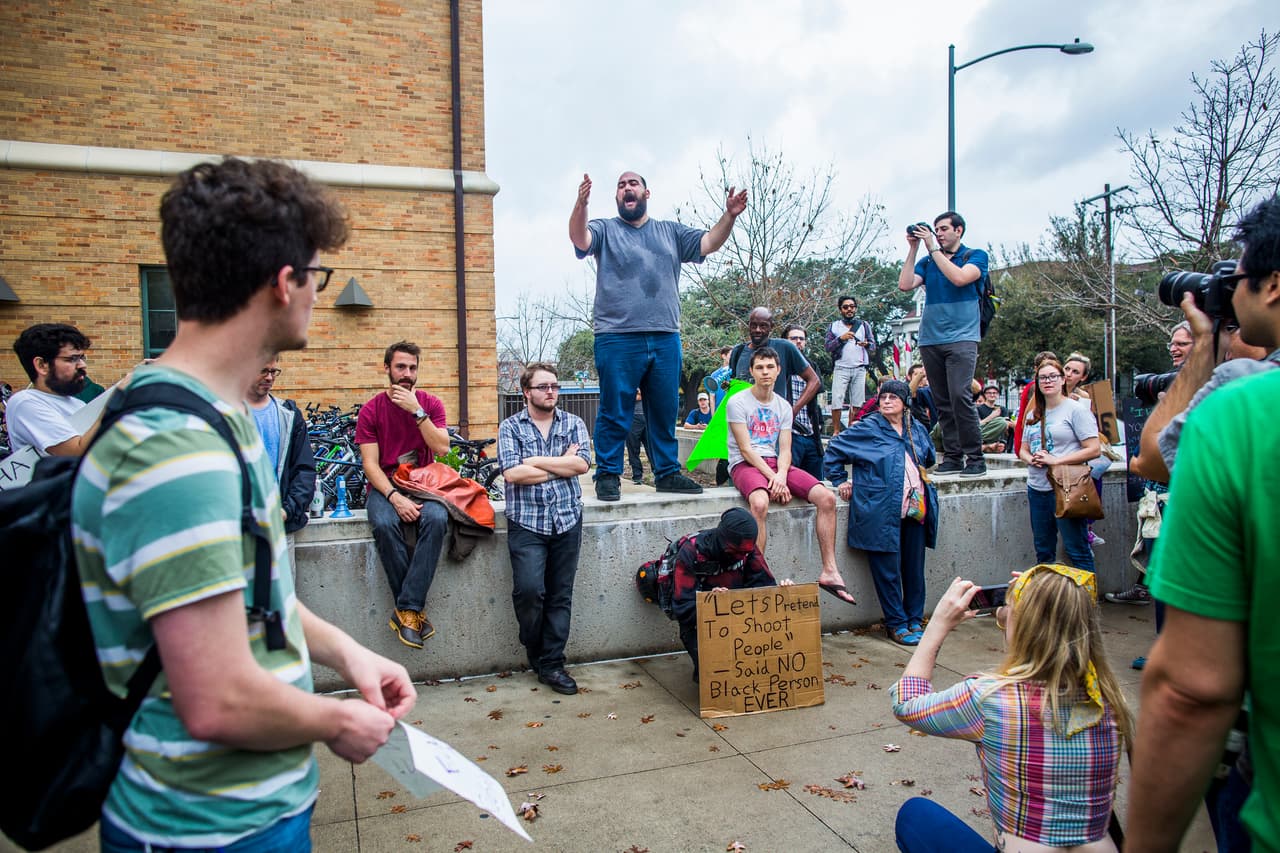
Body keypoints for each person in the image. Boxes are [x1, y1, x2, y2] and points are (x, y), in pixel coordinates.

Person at [71, 157, 414, 849]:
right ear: (285, 284)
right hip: (203, 829)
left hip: (254, 810)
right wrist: (336, 721)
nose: (318, 293)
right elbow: (215, 697)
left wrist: (349, 654)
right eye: (316, 276)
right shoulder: (173, 448)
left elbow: (256, 593)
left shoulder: (216, 418)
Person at [1126, 195, 1280, 853]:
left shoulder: (1242, 413)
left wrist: (1205, 353)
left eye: (1236, 279)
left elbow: (1193, 689)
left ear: (1272, 287)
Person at [892, 565, 1132, 853]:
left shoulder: (991, 698)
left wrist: (938, 625)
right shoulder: (1111, 700)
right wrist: (1032, 601)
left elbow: (906, 704)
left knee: (915, 816)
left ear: (1023, 626)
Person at [569, 171, 746, 501]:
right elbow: (580, 240)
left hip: (665, 336)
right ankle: (608, 473)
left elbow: (709, 242)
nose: (626, 189)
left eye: (632, 183)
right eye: (620, 185)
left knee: (665, 409)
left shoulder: (670, 232)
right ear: (617, 196)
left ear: (646, 192)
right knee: (614, 408)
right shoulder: (605, 229)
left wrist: (730, 216)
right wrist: (581, 204)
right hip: (617, 336)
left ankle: (666, 473)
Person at [724, 346, 853, 605]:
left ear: (779, 370)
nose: (765, 372)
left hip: (776, 465)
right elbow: (746, 450)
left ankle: (829, 570)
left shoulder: (783, 406)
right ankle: (756, 575)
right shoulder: (737, 402)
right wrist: (773, 477)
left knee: (826, 498)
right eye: (759, 367)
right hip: (744, 464)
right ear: (751, 371)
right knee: (759, 503)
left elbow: (785, 448)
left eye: (770, 367)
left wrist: (781, 476)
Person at [497, 362, 592, 696]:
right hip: (527, 522)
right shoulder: (510, 427)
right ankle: (533, 643)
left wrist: (534, 462)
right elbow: (512, 474)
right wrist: (558, 466)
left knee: (560, 595)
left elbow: (581, 464)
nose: (551, 391)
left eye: (554, 386)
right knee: (529, 591)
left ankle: (552, 664)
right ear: (527, 392)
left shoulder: (574, 423)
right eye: (543, 387)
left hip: (567, 519)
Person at [823, 379, 937, 645]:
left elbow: (929, 457)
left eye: (893, 398)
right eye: (882, 397)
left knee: (914, 569)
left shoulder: (915, 428)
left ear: (904, 402)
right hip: (880, 510)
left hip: (914, 509)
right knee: (887, 571)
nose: (886, 401)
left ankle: (914, 619)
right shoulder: (868, 427)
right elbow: (834, 451)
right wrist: (840, 480)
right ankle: (896, 623)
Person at [356, 341, 451, 649]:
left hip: (423, 483)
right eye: (400, 367)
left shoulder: (430, 404)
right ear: (387, 369)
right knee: (384, 525)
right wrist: (394, 497)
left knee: (436, 519)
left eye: (412, 368)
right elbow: (370, 464)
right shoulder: (371, 410)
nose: (407, 374)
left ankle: (406, 610)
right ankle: (411, 610)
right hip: (385, 485)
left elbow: (442, 448)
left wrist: (417, 412)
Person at [898, 212, 989, 478]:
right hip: (931, 339)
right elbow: (905, 285)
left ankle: (975, 457)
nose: (938, 233)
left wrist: (933, 248)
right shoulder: (928, 261)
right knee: (943, 400)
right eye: (935, 229)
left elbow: (960, 278)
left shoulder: (975, 256)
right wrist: (914, 249)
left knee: (961, 395)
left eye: (944, 228)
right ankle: (952, 456)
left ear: (958, 230)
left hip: (962, 338)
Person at [670, 507, 793, 682]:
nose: (740, 557)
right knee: (712, 676)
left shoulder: (748, 551)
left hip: (740, 620)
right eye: (735, 552)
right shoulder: (691, 552)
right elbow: (683, 607)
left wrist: (785, 594)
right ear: (723, 541)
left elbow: (764, 591)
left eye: (745, 553)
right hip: (701, 622)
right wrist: (711, 604)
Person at [1018, 357, 1101, 572]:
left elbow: (1094, 449)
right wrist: (1032, 459)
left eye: (1053, 377)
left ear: (1063, 380)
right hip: (1037, 487)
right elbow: (1022, 449)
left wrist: (1056, 460)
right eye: (1042, 378)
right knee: (1043, 551)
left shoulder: (1076, 410)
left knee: (1077, 549)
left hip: (1067, 487)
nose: (1048, 381)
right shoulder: (1033, 413)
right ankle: (1047, 603)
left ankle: (1087, 603)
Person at [730, 308, 823, 479]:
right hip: (744, 434)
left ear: (771, 327)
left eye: (763, 326)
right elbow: (733, 387)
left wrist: (793, 410)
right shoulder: (738, 352)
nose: (758, 330)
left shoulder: (784, 347)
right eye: (754, 325)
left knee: (778, 481)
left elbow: (814, 381)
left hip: (773, 434)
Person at [247, 355, 317, 533]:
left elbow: (304, 470)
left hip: (281, 525)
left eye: (273, 372)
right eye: (263, 371)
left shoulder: (288, 414)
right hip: (240, 529)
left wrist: (286, 511)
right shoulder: (226, 411)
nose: (270, 377)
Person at [7, 322, 96, 456]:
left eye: (82, 357)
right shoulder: (26, 402)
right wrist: (118, 397)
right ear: (42, 365)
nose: (82, 365)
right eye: (72, 359)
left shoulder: (77, 404)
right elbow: (76, 453)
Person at [824, 295, 876, 433]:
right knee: (837, 399)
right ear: (840, 309)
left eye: (852, 306)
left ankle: (851, 431)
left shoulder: (864, 325)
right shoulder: (834, 326)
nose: (849, 309)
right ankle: (836, 431)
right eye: (846, 307)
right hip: (841, 367)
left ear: (856, 308)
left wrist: (866, 344)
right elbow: (828, 347)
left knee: (858, 402)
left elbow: (873, 346)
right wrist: (841, 339)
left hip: (859, 367)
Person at [782, 322, 827, 479]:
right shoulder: (778, 366)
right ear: (785, 341)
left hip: (810, 433)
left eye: (802, 338)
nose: (798, 342)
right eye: (793, 338)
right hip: (789, 433)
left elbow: (817, 400)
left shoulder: (812, 366)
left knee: (816, 482)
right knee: (790, 481)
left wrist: (819, 425)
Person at [976, 382, 1010, 452]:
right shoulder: (978, 409)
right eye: (989, 393)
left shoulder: (1002, 409)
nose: (992, 395)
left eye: (994, 393)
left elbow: (1006, 425)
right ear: (985, 395)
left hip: (998, 437)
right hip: (982, 435)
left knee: (1002, 422)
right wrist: (992, 416)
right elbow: (977, 425)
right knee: (1001, 421)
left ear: (998, 395)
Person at [626, 389, 648, 484]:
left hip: (647, 418)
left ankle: (659, 474)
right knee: (633, 449)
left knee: (652, 449)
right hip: (632, 418)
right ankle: (637, 475)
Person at [906, 363, 936, 431]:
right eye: (916, 375)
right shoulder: (917, 391)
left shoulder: (930, 390)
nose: (921, 378)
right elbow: (909, 393)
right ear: (909, 377)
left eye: (924, 376)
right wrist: (921, 374)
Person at [704, 345, 734, 412]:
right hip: (719, 411)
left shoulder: (736, 372)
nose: (733, 357)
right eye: (731, 355)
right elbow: (712, 398)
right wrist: (713, 417)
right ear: (723, 356)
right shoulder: (715, 375)